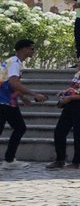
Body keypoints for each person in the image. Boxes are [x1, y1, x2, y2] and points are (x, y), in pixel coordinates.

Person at [48, 54, 80, 170]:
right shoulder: (78, 74)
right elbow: (74, 88)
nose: (78, 63)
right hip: (71, 104)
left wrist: (71, 98)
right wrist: (65, 93)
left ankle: (77, 161)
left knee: (79, 134)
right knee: (59, 131)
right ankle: (60, 159)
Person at [1, 39, 46, 168]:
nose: (33, 51)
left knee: (20, 128)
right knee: (20, 128)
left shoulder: (13, 62)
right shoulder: (15, 63)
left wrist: (22, 97)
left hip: (7, 101)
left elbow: (10, 83)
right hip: (4, 101)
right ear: (24, 49)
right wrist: (34, 94)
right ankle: (9, 160)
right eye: (32, 48)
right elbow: (14, 83)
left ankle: (9, 160)